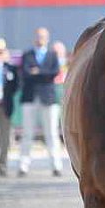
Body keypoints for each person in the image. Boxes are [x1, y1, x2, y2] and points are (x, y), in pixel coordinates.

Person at [19, 27, 63, 177]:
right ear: (34, 38)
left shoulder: (52, 55)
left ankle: (56, 165)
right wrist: (44, 74)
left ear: (47, 38)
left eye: (43, 36)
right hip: (30, 98)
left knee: (51, 133)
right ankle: (23, 165)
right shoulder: (27, 55)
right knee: (27, 133)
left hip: (48, 98)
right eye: (38, 36)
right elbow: (25, 73)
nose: (40, 38)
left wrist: (37, 72)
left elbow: (54, 72)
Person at [0, 39, 19, 177]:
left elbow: (15, 86)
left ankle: (3, 165)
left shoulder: (10, 69)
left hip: (4, 105)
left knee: (5, 137)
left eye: (1, 51)